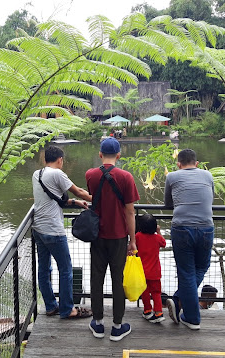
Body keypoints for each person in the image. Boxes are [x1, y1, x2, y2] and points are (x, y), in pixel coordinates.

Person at [85, 137, 139, 341]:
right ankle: (117, 326)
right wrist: (132, 240)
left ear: (100, 154)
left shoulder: (90, 174)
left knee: (96, 278)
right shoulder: (126, 177)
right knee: (118, 280)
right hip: (118, 237)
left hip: (97, 235)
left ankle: (97, 323)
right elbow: (130, 212)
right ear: (119, 155)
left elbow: (95, 197)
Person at [32, 145, 93, 319]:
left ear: (45, 160)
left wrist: (75, 203)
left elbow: (55, 199)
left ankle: (51, 306)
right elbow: (80, 191)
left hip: (38, 229)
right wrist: (100, 199)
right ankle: (68, 309)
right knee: (65, 269)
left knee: (44, 269)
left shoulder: (37, 174)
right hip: (53, 230)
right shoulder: (58, 173)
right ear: (60, 160)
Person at [164, 148, 214, 330]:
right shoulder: (208, 176)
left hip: (182, 228)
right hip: (206, 228)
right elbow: (210, 199)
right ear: (197, 164)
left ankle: (190, 316)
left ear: (179, 164)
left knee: (186, 272)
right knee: (202, 267)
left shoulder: (172, 176)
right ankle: (179, 302)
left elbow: (168, 203)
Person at [135, 214, 167, 323]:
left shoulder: (138, 236)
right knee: (156, 293)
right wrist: (158, 232)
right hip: (155, 272)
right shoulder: (157, 238)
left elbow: (134, 246)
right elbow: (164, 243)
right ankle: (158, 312)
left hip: (142, 271)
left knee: (144, 292)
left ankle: (147, 310)